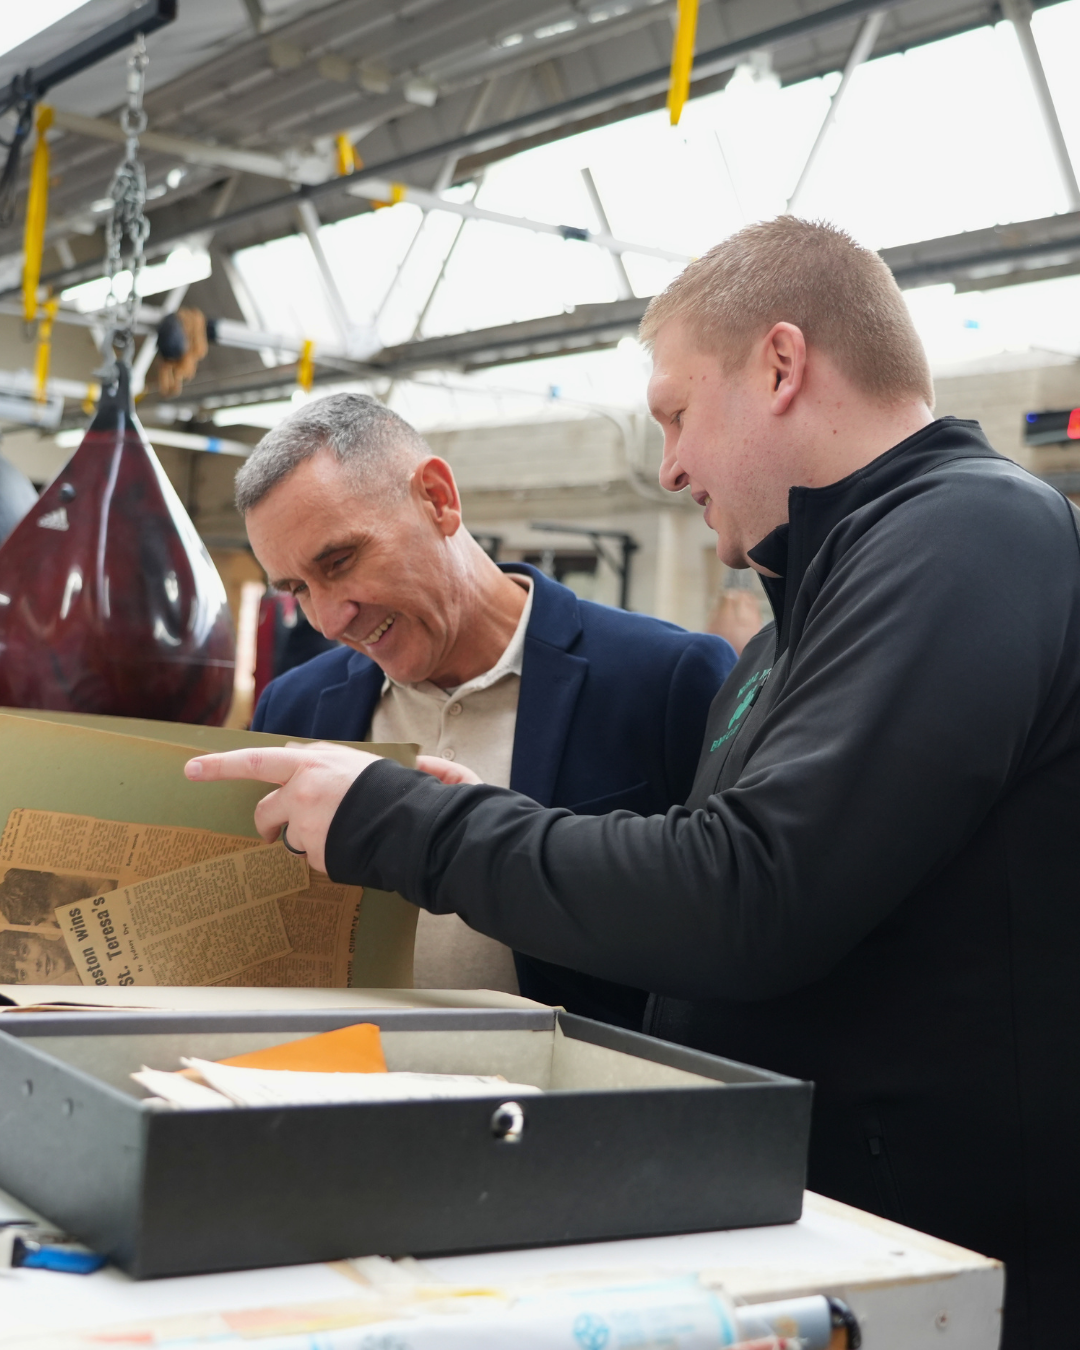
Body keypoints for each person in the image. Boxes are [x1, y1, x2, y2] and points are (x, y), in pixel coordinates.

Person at [187, 218, 1079, 1347]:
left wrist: (419, 824)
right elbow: (696, 878)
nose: (668, 466)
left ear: (782, 365)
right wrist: (489, 820)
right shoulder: (790, 635)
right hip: (805, 1232)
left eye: (673, 413)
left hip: (945, 1257)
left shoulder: (971, 532)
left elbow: (750, 894)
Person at [235, 393, 737, 1026]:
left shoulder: (664, 679)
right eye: (298, 589)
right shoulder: (297, 704)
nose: (330, 619)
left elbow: (712, 927)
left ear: (438, 499)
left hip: (574, 1104)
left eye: (340, 562)